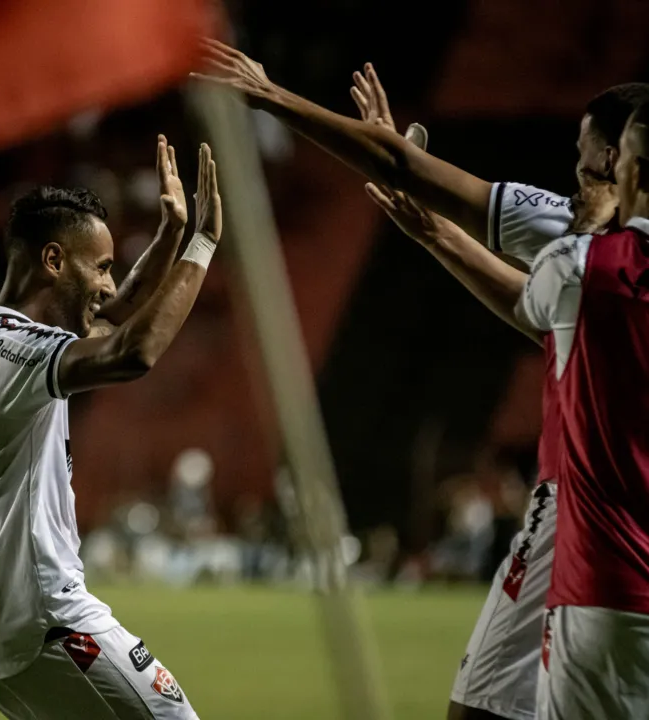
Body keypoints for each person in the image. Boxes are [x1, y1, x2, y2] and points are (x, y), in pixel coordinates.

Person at [196, 41, 649, 720]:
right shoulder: (581, 252)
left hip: (587, 517)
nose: (577, 169)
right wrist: (440, 237)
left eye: (587, 153)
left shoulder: (581, 251)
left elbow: (405, 165)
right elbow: (543, 317)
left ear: (621, 163)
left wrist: (271, 96)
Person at [0, 136, 221, 719]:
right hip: (48, 621)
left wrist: (169, 235)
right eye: (102, 266)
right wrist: (203, 243)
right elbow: (131, 352)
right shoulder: (11, 352)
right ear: (52, 260)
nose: (110, 284)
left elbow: (112, 315)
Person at [517, 103, 649, 720]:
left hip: (604, 592)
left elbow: (531, 303)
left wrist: (591, 228)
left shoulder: (582, 265)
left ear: (631, 173)